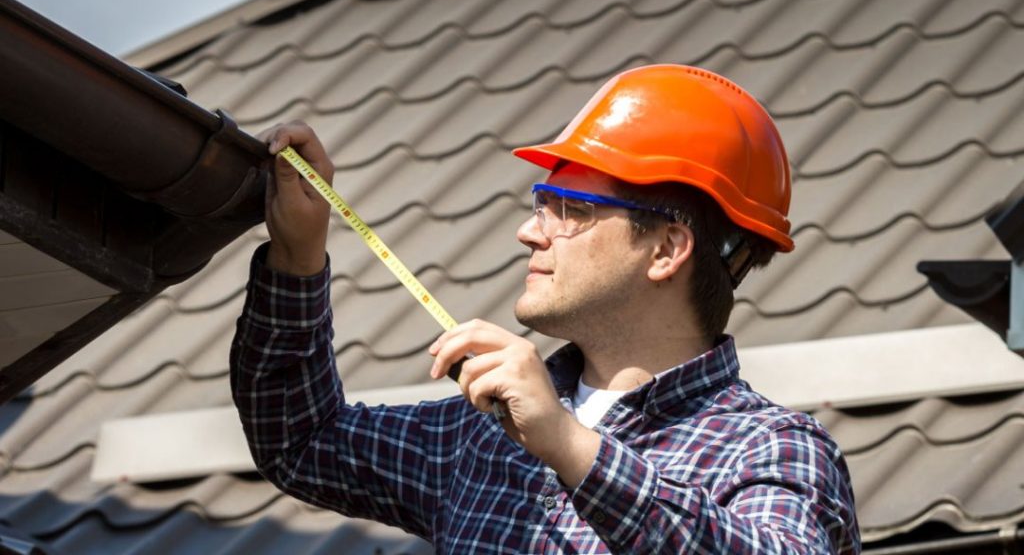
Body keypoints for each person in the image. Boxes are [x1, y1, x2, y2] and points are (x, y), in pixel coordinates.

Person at [231, 64, 861, 553]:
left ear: (667, 249)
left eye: (573, 208)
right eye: (542, 203)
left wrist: (568, 445)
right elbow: (301, 439)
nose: (531, 233)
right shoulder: (481, 434)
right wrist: (297, 256)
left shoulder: (772, 449)